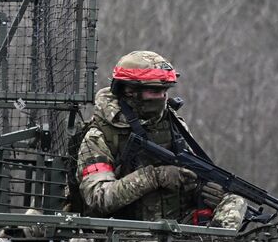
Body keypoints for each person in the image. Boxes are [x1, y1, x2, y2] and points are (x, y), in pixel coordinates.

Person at [76, 50, 246, 228]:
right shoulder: (100, 136)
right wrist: (155, 176)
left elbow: (188, 174)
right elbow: (98, 197)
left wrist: (204, 191)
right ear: (129, 90)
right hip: (123, 232)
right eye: (155, 90)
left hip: (175, 228)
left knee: (235, 200)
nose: (162, 97)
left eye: (165, 90)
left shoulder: (174, 125)